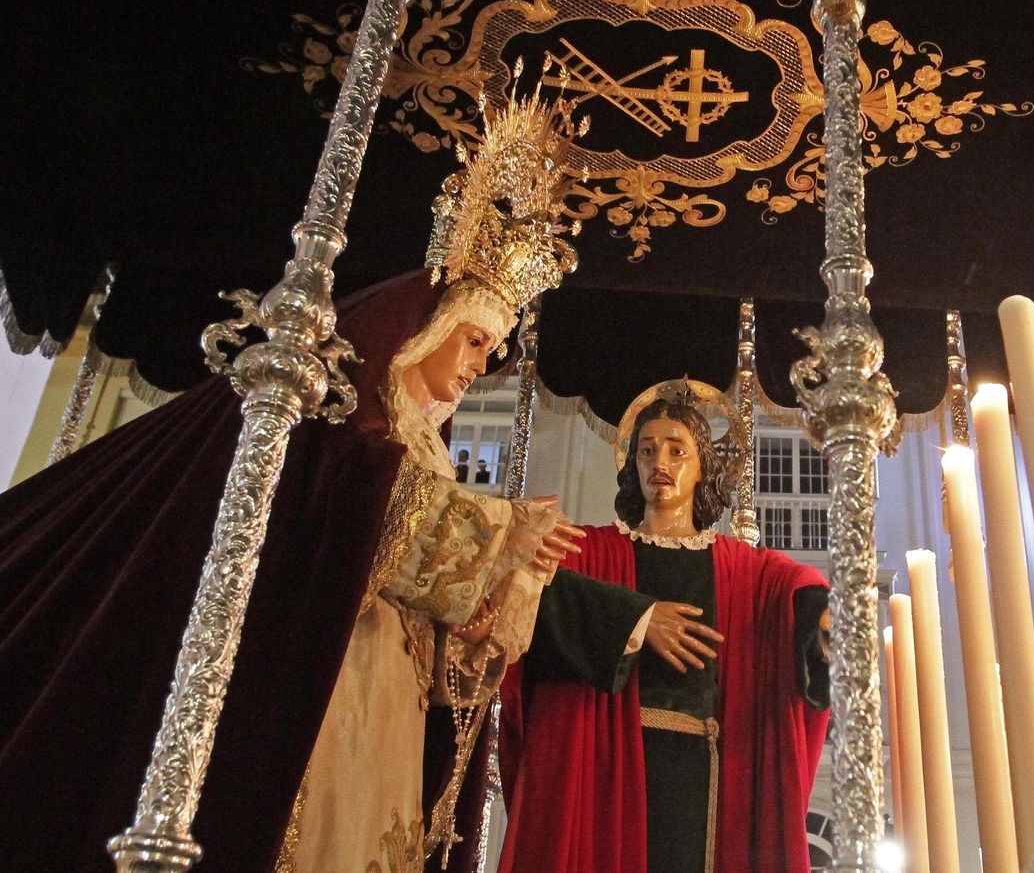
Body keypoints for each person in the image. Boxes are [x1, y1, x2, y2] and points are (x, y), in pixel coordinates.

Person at [0, 98, 583, 872]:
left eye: (495, 347)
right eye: (476, 339)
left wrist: (499, 591)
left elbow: (438, 603)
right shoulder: (342, 419)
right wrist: (501, 533)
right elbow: (353, 507)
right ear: (426, 328)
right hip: (329, 670)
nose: (481, 362)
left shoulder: (426, 448)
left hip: (392, 689)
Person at [497, 382, 831, 873]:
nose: (661, 462)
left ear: (703, 467)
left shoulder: (741, 568)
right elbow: (529, 600)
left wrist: (821, 616)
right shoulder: (589, 551)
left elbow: (794, 588)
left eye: (678, 450)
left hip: (704, 772)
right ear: (631, 463)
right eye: (648, 450)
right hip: (605, 763)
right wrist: (636, 619)